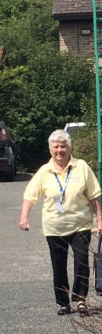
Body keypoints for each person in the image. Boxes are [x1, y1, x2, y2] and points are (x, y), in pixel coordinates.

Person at [19, 129, 102, 315]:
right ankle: (63, 302)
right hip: (54, 226)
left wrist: (100, 219)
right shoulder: (44, 171)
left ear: (69, 148)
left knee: (81, 262)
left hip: (80, 224)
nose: (59, 150)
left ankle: (80, 299)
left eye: (63, 146)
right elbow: (30, 196)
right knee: (59, 264)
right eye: (55, 146)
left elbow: (94, 196)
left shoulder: (81, 167)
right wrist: (24, 217)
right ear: (50, 149)